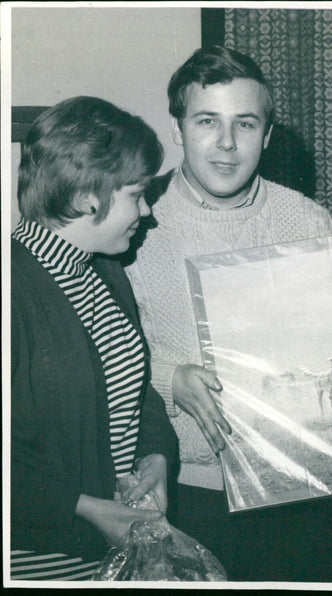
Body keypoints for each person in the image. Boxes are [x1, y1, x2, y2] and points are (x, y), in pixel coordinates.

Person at [123, 45, 332, 582]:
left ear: (267, 134)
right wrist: (170, 376)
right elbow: (93, 347)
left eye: (245, 123)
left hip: (296, 491)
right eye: (206, 122)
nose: (226, 144)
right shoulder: (130, 223)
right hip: (182, 495)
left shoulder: (308, 221)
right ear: (177, 129)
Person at [10, 96, 177, 580]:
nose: (146, 212)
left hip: (109, 551)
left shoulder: (104, 273)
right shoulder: (12, 287)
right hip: (42, 558)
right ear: (89, 196)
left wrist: (156, 455)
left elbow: (135, 389)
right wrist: (83, 507)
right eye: (137, 194)